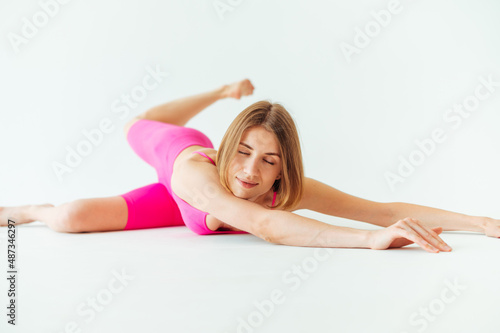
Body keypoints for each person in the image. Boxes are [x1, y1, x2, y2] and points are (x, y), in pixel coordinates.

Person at [1, 79, 498, 253]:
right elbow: (264, 226)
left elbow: (378, 208)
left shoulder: (278, 189)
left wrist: (480, 223)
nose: (250, 172)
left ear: (283, 169)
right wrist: (369, 241)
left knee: (77, 219)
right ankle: (30, 209)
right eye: (243, 151)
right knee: (70, 210)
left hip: (181, 210)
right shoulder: (203, 174)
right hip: (178, 162)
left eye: (268, 161)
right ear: (228, 145)